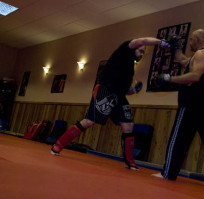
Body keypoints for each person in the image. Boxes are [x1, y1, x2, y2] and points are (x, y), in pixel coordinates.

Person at [50, 37, 170, 170]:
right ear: (134, 48)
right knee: (89, 121)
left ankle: (129, 161)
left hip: (118, 96)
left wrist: (134, 90)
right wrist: (161, 42)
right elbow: (140, 40)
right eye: (141, 51)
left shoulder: (129, 67)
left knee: (128, 126)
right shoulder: (124, 50)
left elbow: (125, 91)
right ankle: (58, 145)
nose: (141, 54)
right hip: (105, 90)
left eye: (143, 53)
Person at [152, 29, 204, 192]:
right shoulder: (200, 56)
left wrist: (170, 79)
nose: (189, 42)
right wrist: (175, 47)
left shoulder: (202, 54)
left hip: (193, 103)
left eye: (191, 39)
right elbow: (183, 60)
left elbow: (195, 76)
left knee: (178, 138)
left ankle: (167, 174)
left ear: (197, 39)